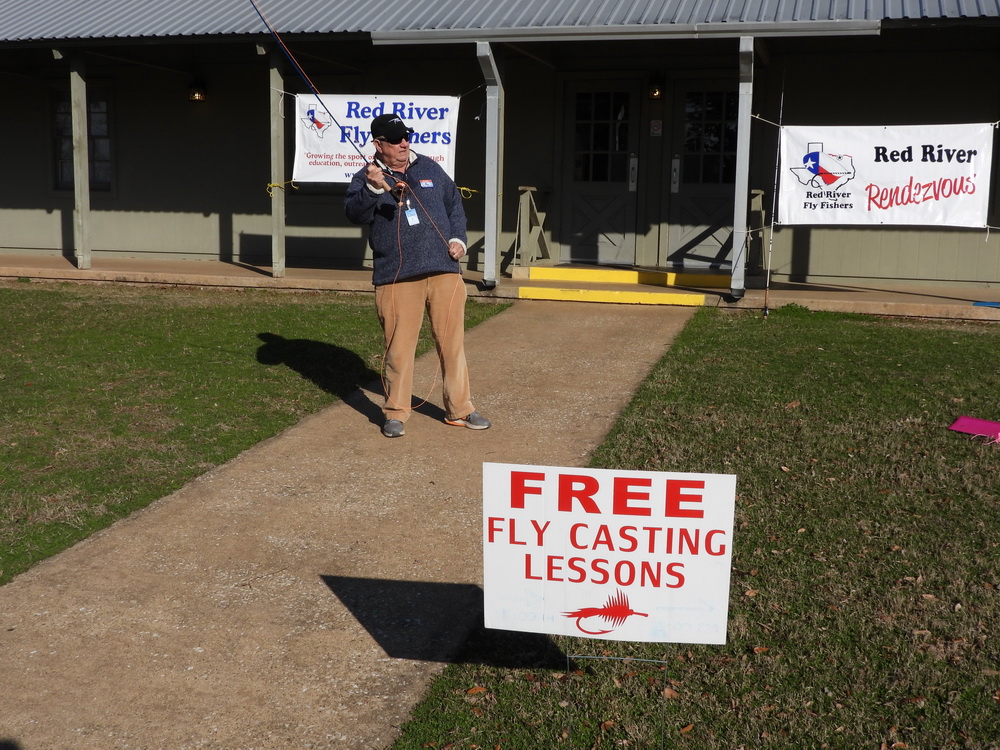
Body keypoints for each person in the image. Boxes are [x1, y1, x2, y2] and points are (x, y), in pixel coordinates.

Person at [345, 113, 491, 438]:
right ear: (378, 144)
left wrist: (458, 240)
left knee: (452, 346)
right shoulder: (367, 176)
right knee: (398, 350)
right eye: (395, 140)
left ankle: (460, 410)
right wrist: (371, 187)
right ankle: (396, 412)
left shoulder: (430, 168)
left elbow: (454, 205)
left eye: (405, 137)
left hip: (444, 273)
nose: (403, 144)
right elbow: (354, 213)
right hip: (396, 278)